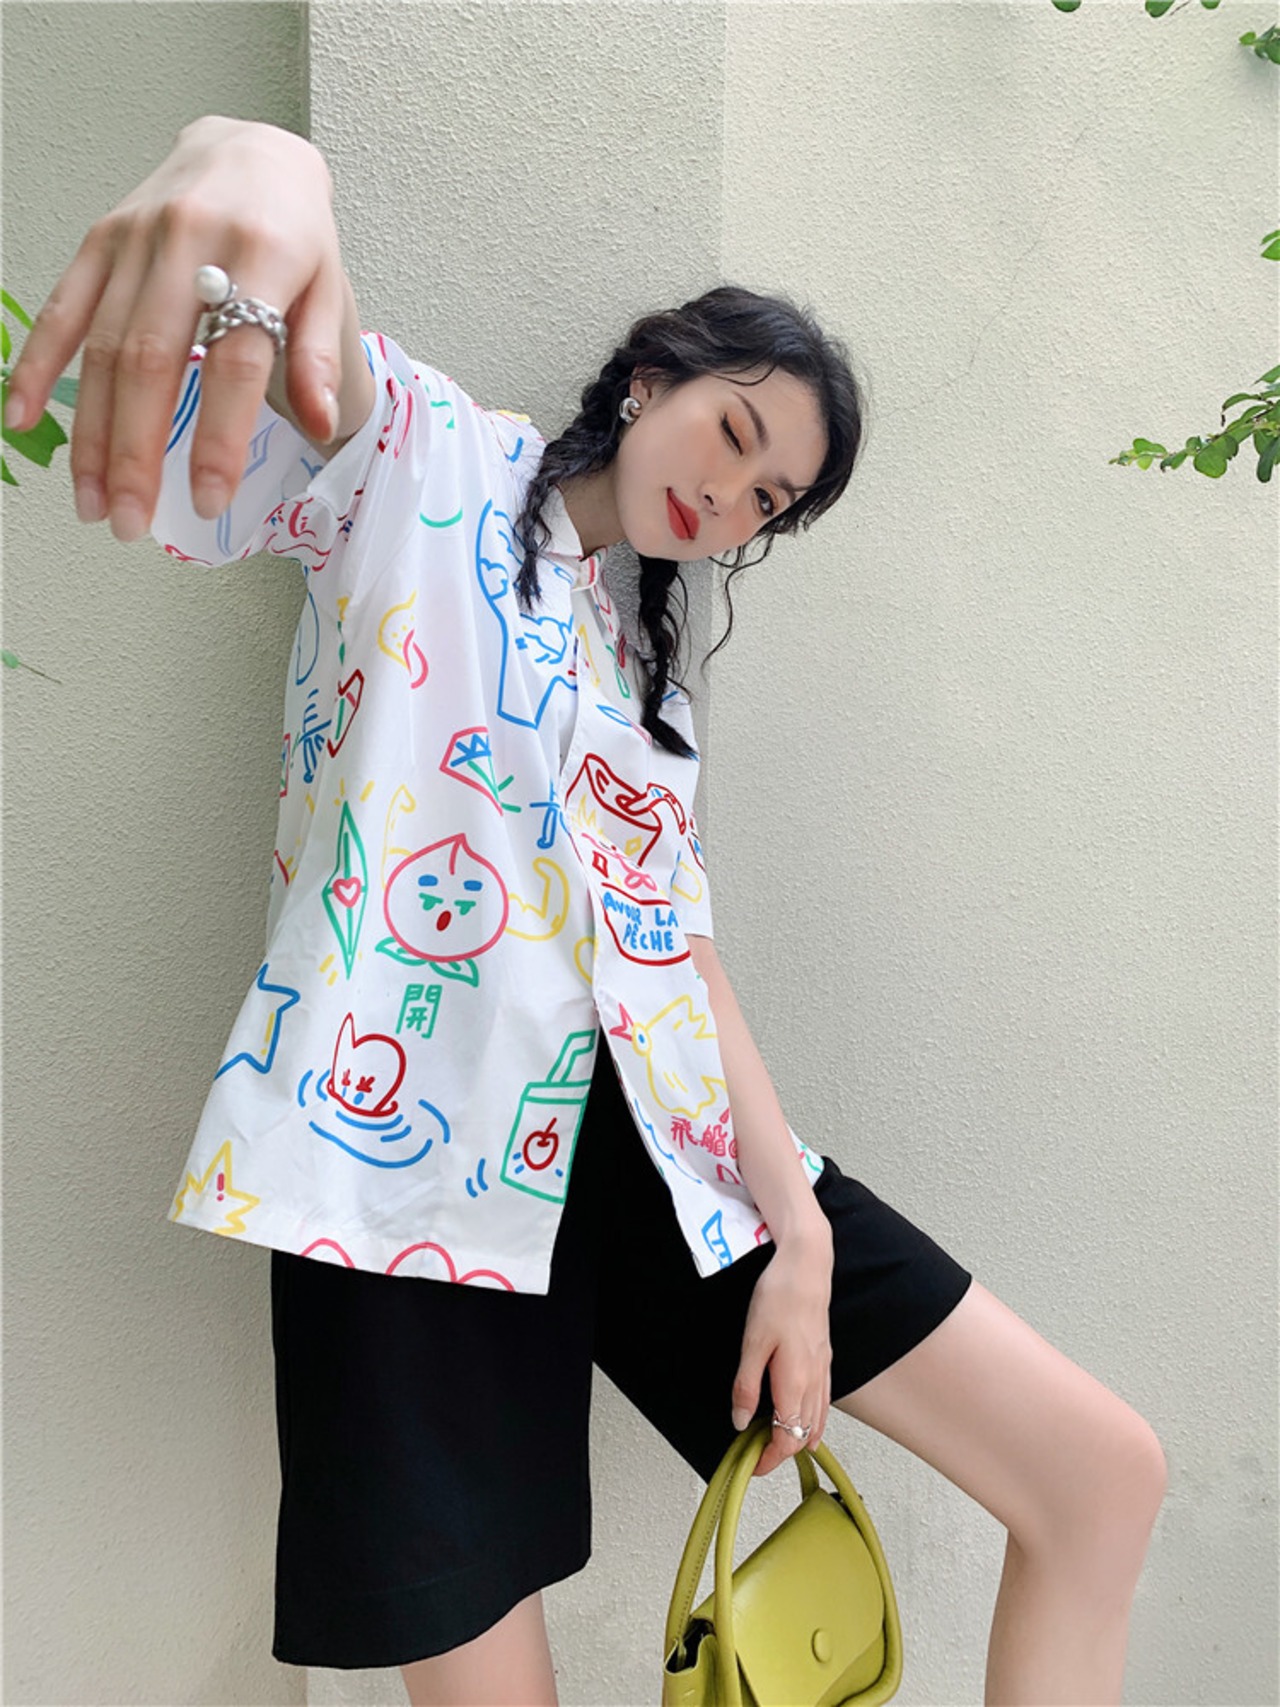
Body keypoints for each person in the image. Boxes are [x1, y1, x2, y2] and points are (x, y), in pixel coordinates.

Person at [6, 114, 1167, 1707]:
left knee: (1101, 1478)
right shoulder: (431, 465)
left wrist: (802, 1232)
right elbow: (307, 346)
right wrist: (262, 158)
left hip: (671, 1152)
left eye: (771, 500)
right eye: (734, 435)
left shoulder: (645, 689)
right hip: (411, 1163)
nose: (732, 495)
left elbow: (680, 962)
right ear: (649, 379)